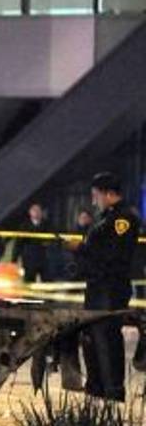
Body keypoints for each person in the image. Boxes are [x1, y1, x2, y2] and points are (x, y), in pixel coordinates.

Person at [72, 172, 140, 401]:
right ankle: (96, 388)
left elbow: (113, 256)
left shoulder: (123, 219)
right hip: (97, 286)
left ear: (109, 194)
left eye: (96, 195)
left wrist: (80, 249)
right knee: (91, 337)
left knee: (106, 337)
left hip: (110, 288)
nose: (93, 201)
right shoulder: (106, 218)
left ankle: (112, 391)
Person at [14, 202, 50, 283]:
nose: (36, 212)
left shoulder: (48, 225)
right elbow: (18, 243)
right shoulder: (24, 226)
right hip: (29, 259)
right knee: (29, 280)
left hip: (44, 258)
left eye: (38, 210)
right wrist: (14, 258)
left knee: (47, 281)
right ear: (30, 212)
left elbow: (54, 240)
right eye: (34, 210)